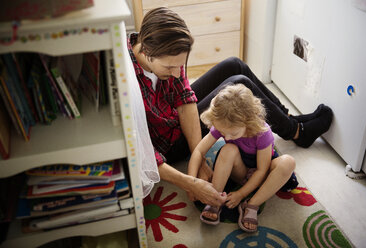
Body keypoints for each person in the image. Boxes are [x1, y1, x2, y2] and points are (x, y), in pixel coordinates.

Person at [127, 7, 333, 207]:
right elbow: (142, 153)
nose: (175, 73)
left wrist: (198, 156)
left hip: (172, 116)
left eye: (179, 66)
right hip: (166, 142)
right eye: (169, 67)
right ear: (146, 51)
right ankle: (297, 131)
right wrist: (192, 180)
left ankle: (289, 120)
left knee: (234, 64)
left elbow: (184, 99)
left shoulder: (166, 49)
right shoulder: (125, 78)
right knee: (238, 84)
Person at [188, 84, 297, 232]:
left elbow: (262, 170)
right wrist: (191, 182)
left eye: (232, 134)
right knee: (228, 149)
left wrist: (241, 194)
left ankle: (251, 204)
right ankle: (215, 199)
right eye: (222, 132)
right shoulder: (225, 124)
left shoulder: (262, 132)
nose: (226, 136)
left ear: (248, 122)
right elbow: (199, 151)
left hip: (263, 173)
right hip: (240, 170)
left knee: (288, 162)